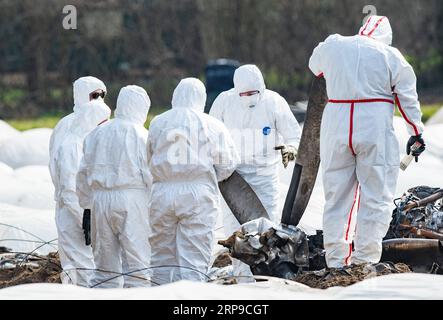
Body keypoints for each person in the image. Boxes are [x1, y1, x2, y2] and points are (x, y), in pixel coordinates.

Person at [309, 15, 425, 268]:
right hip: (373, 126)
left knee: (336, 197)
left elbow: (315, 66)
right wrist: (416, 132)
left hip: (336, 125)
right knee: (376, 195)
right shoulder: (390, 55)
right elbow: (407, 98)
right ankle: (364, 262)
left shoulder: (334, 45)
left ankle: (336, 262)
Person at [210, 64, 301, 281]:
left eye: (253, 93)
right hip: (233, 176)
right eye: (244, 94)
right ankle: (242, 278)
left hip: (264, 175)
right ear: (235, 90)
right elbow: (210, 132)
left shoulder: (274, 102)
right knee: (235, 229)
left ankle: (266, 277)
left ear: (262, 88)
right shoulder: (224, 101)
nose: (249, 98)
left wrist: (291, 148)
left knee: (266, 227)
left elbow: (293, 134)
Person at [147, 78, 238, 284]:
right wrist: (210, 177)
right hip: (197, 193)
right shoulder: (212, 124)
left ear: (175, 96)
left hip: (162, 191)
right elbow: (228, 162)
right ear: (201, 98)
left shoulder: (158, 122)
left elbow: (149, 157)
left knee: (161, 256)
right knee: (194, 256)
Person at [76, 85, 152, 288]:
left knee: (104, 269)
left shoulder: (96, 134)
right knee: (138, 266)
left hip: (100, 202)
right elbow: (150, 174)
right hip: (132, 199)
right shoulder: (141, 135)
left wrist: (86, 205)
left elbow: (83, 173)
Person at [49, 77, 111, 286]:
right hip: (73, 207)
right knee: (79, 266)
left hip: (96, 208)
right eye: (94, 96)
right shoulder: (68, 129)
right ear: (81, 95)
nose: (99, 101)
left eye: (102, 95)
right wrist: (83, 216)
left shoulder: (103, 125)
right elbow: (65, 180)